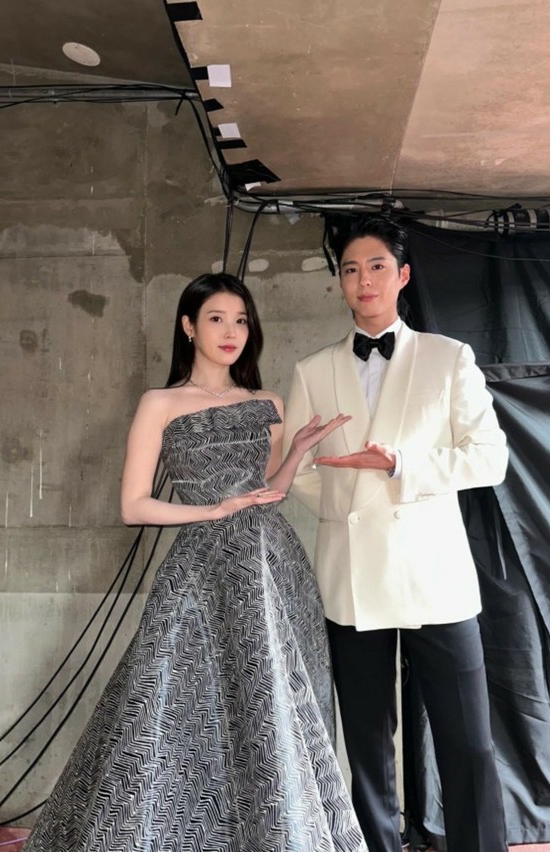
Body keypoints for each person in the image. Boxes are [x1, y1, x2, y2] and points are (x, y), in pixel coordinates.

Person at [24, 273, 366, 852]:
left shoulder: (268, 403)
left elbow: (269, 491)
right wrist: (213, 510)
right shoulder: (160, 403)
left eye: (241, 320)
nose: (232, 332)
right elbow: (134, 505)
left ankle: (277, 832)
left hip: (270, 566)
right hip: (201, 567)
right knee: (174, 697)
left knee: (271, 699)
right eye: (216, 319)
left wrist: (297, 451)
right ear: (188, 326)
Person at [283, 216, 509, 852]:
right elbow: (298, 470)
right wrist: (353, 500)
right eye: (351, 269)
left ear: (403, 275)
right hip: (352, 575)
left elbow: (489, 458)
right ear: (339, 282)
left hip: (434, 573)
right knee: (365, 743)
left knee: (468, 741)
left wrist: (400, 467)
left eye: (377, 266)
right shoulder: (312, 370)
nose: (364, 280)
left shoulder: (448, 357)